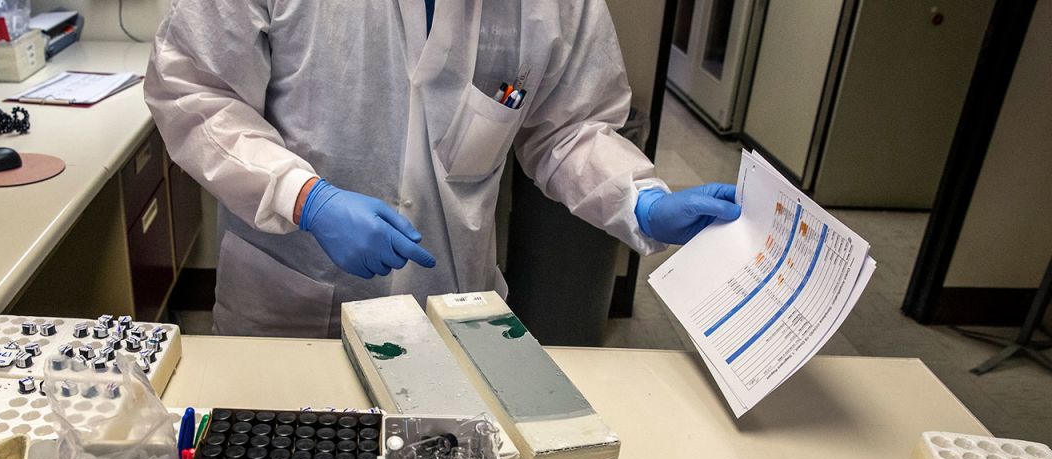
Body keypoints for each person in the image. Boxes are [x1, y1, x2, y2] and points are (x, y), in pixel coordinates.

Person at [145, 1, 739, 338]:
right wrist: (305, 198)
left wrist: (641, 201)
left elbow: (568, 125)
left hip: (454, 306)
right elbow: (194, 91)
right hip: (290, 307)